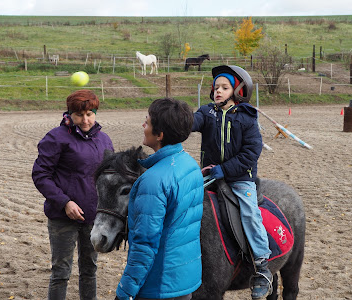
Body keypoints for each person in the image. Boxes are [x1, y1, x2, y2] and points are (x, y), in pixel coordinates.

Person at [192, 65, 272, 300]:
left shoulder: (247, 118)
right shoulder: (206, 113)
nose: (218, 91)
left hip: (239, 179)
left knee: (249, 212)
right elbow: (190, 123)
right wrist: (175, 118)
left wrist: (224, 170)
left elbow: (250, 153)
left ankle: (261, 265)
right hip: (208, 176)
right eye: (216, 87)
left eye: (224, 87)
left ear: (238, 91)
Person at [115, 98, 204, 300]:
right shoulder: (190, 164)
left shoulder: (153, 181)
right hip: (184, 279)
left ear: (160, 135)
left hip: (158, 286)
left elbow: (145, 244)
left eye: (147, 122)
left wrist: (125, 292)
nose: (143, 125)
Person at [32, 89, 114, 300]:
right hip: (62, 217)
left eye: (90, 114)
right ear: (70, 114)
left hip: (93, 217)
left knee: (90, 270)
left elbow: (109, 178)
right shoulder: (55, 138)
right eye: (79, 115)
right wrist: (65, 202)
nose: (85, 120)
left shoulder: (104, 140)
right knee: (61, 272)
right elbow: (41, 175)